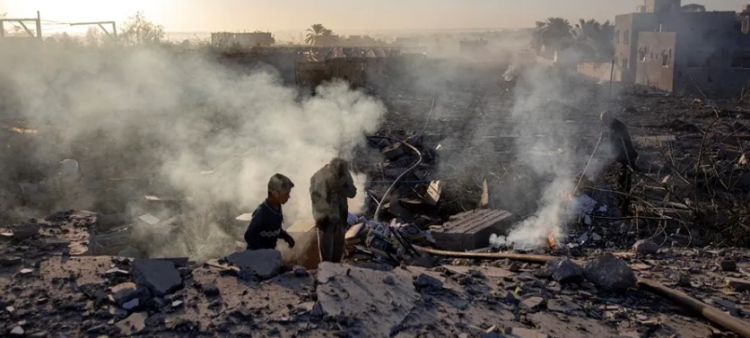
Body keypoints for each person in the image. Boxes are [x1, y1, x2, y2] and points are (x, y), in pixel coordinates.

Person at [310, 158, 357, 263]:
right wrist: (322, 218)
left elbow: (352, 193)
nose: (339, 177)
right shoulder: (319, 177)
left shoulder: (344, 173)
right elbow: (316, 200)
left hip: (340, 219)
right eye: (337, 175)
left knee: (338, 253)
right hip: (326, 221)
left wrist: (344, 185)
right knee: (327, 257)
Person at [244, 174, 296, 250]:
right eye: (286, 194)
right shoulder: (262, 212)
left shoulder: (277, 208)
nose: (289, 196)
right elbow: (249, 235)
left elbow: (274, 229)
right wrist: (263, 251)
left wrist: (286, 237)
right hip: (257, 256)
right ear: (275, 193)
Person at [600, 110, 638, 216]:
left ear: (608, 119)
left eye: (603, 121)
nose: (602, 124)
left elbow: (617, 143)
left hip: (626, 160)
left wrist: (606, 137)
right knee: (621, 184)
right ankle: (621, 208)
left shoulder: (616, 127)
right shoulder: (614, 126)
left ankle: (623, 211)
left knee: (624, 186)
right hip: (622, 160)